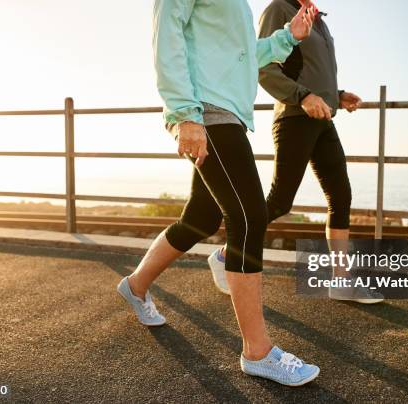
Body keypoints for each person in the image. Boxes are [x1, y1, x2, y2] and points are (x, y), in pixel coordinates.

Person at [117, 0, 321, 387]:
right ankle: (257, 352)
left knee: (201, 217)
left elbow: (242, 54)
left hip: (227, 112)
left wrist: (286, 38)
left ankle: (135, 285)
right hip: (206, 111)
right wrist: (184, 114)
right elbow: (167, 37)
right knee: (249, 217)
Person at [207, 0, 384, 304]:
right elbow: (260, 64)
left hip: (322, 118)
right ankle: (225, 255)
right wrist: (302, 96)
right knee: (280, 200)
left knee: (341, 196)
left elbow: (309, 68)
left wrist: (336, 95)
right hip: (294, 118)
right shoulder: (279, 9)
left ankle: (341, 281)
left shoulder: (319, 19)